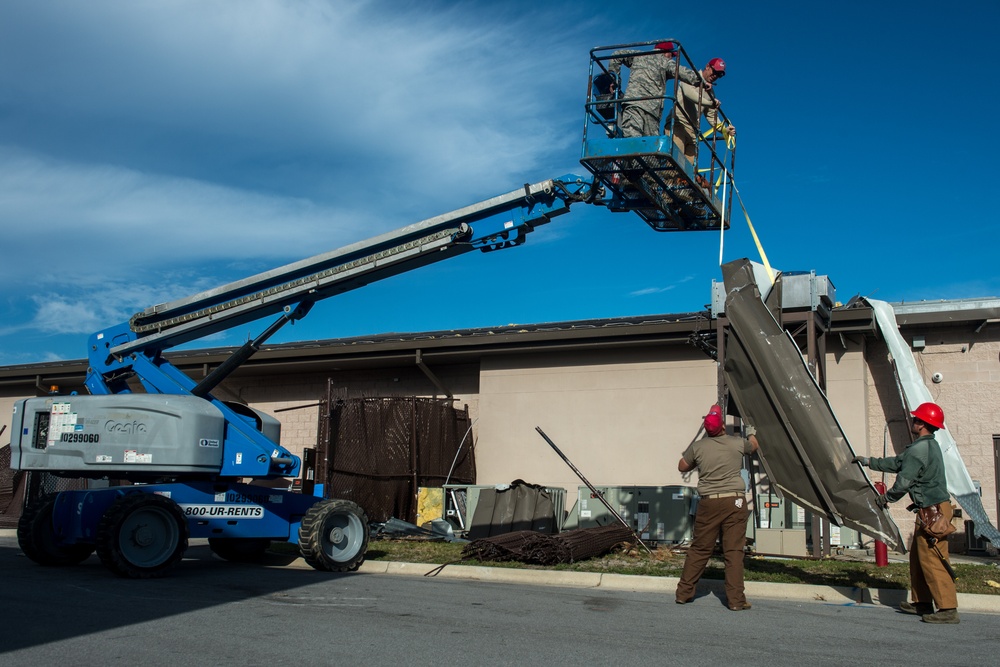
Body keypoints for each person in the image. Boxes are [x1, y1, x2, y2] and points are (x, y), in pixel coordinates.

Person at [853, 402, 959, 624]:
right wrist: (868, 462)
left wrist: (886, 499)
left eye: (916, 419)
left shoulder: (919, 450)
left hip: (934, 512)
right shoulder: (925, 446)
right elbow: (897, 463)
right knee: (919, 559)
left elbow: (903, 482)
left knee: (933, 560)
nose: (913, 421)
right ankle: (921, 603)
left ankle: (948, 609)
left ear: (922, 424)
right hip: (932, 511)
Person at [675, 404, 759, 610]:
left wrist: (696, 457)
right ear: (722, 425)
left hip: (709, 502)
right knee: (733, 552)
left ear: (706, 429)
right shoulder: (736, 443)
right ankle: (736, 601)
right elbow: (753, 446)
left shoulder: (699, 447)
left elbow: (682, 466)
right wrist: (751, 432)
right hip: (735, 502)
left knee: (700, 549)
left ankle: (683, 594)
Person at [608, 42, 703, 138]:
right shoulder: (665, 61)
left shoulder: (639, 56)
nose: (672, 58)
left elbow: (617, 54)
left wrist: (614, 78)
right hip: (652, 111)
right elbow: (681, 71)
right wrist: (700, 81)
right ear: (666, 52)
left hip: (633, 104)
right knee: (651, 147)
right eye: (672, 55)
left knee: (632, 140)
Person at [671, 58, 736, 167]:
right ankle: (667, 182)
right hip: (678, 124)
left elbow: (711, 116)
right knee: (674, 163)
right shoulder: (690, 76)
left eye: (719, 75)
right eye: (714, 72)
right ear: (707, 67)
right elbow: (689, 94)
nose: (715, 76)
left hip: (692, 132)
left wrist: (725, 130)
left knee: (689, 170)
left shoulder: (710, 92)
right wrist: (710, 103)